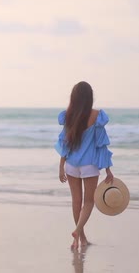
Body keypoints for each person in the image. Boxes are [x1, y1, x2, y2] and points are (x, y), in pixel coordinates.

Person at [55, 81, 114, 249]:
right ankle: (78, 232)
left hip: (71, 164)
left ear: (74, 97)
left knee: (76, 202)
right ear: (90, 97)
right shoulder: (97, 116)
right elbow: (101, 144)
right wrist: (108, 170)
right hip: (89, 165)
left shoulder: (69, 115)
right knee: (88, 203)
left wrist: (61, 166)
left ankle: (80, 238)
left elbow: (64, 143)